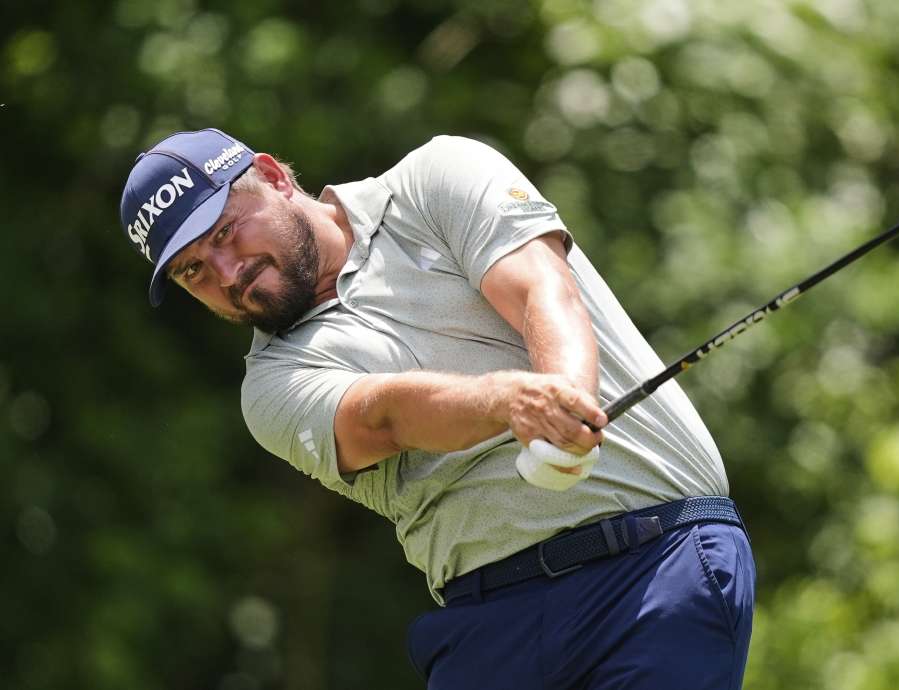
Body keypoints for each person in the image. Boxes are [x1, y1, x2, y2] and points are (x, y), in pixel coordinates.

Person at [119, 128, 755, 688]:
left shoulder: (436, 178)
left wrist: (566, 401)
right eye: (194, 271)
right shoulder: (270, 386)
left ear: (276, 176)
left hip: (657, 563)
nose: (228, 273)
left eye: (227, 232)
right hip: (489, 624)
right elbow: (384, 415)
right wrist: (512, 401)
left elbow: (540, 285)